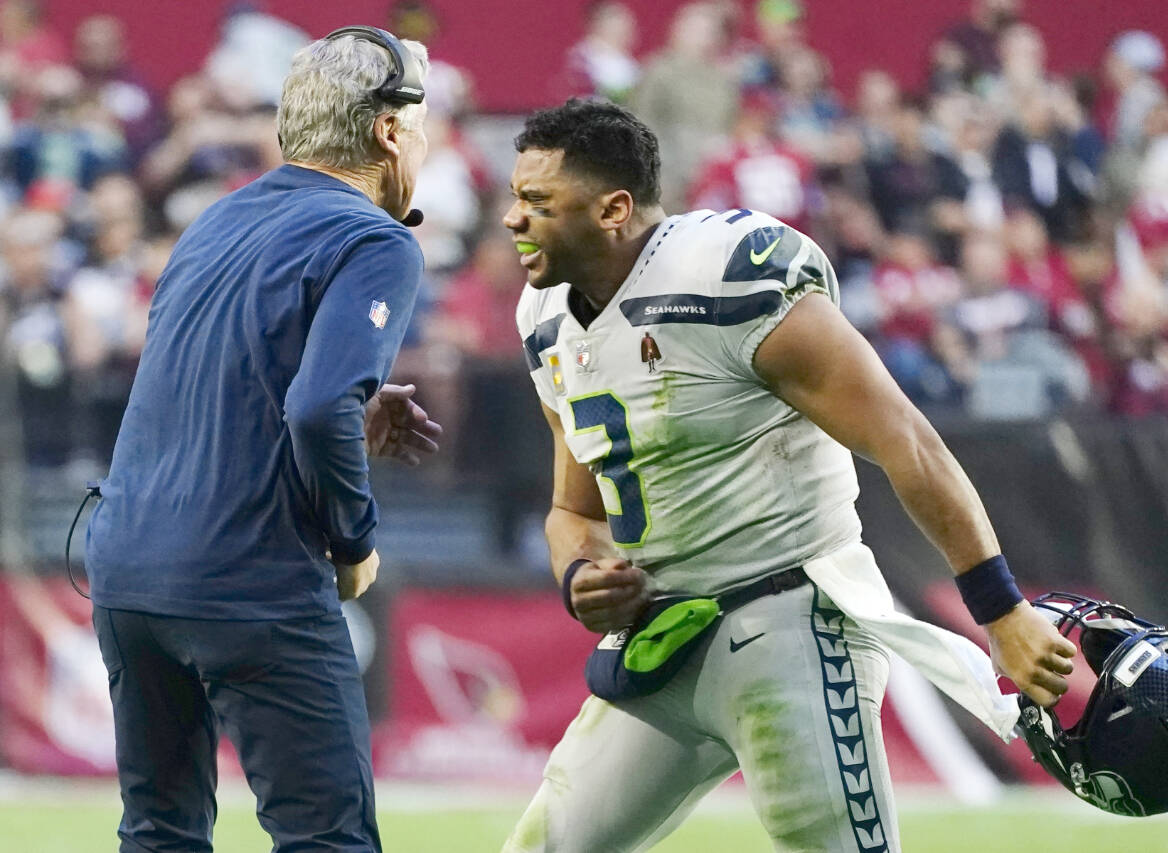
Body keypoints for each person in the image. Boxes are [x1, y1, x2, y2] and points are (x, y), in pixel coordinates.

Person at [502, 98, 1075, 853]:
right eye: (517, 198)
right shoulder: (542, 315)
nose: (513, 218)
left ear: (612, 209)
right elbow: (571, 508)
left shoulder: (725, 279)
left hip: (792, 623)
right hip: (665, 637)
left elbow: (906, 440)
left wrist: (1000, 608)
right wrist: (579, 569)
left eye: (536, 202)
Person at [84, 27, 441, 852]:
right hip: (250, 575)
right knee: (328, 839)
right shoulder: (376, 237)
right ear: (388, 132)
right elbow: (317, 409)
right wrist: (354, 543)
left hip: (128, 570)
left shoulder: (213, 221)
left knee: (160, 833)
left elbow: (206, 379)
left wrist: (344, 398)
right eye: (421, 126)